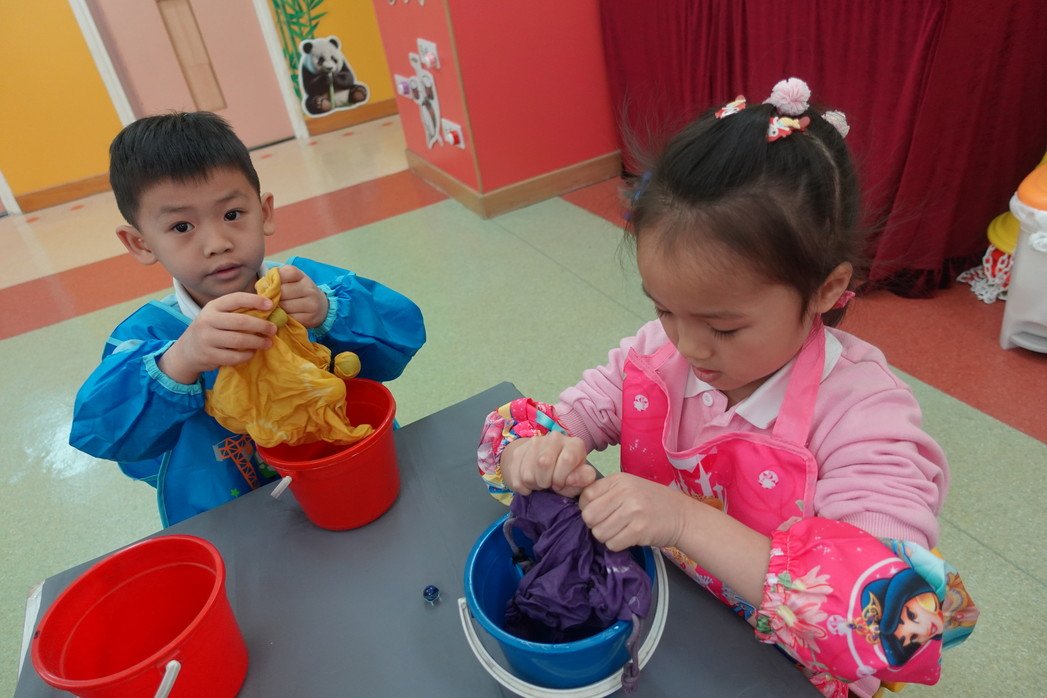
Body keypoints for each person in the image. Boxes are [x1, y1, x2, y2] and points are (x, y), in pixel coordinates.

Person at [477, 79, 977, 697]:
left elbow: (891, 617)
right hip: (669, 616)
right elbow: (563, 419)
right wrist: (537, 452)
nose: (688, 347)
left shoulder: (864, 415)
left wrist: (682, 520)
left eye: (723, 327)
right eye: (665, 309)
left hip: (785, 666)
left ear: (825, 289)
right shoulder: (656, 356)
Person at [71, 112, 425, 526]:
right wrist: (180, 361)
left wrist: (329, 311)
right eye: (182, 226)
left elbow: (404, 332)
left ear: (265, 212)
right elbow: (106, 435)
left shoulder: (309, 285)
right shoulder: (146, 336)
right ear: (140, 242)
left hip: (351, 477)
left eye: (232, 214)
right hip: (234, 519)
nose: (217, 243)